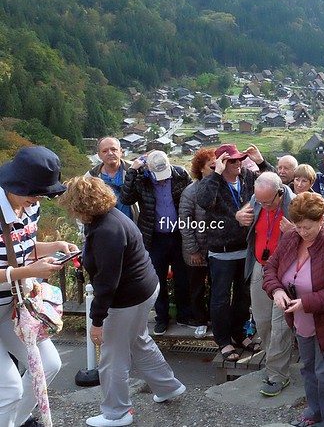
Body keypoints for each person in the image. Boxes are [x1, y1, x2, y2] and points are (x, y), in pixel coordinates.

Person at [61, 176, 185, 427]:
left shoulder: (107, 230)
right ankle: (168, 386)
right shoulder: (110, 217)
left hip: (127, 298)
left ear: (80, 205)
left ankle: (117, 413)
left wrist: (97, 321)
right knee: (139, 340)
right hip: (143, 288)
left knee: (112, 356)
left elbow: (107, 283)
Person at [262, 192, 324, 427]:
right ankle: (315, 412)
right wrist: (277, 291)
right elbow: (271, 268)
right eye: (298, 227)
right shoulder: (291, 237)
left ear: (322, 219)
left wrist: (306, 303)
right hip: (301, 318)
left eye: (307, 228)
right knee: (308, 368)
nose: (302, 233)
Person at [0, 147, 71, 427]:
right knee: (8, 388)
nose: (39, 200)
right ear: (15, 184)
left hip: (12, 306)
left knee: (49, 365)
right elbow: (22, 264)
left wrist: (53, 247)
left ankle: (15, 422)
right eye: (35, 193)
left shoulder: (31, 207)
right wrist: (29, 271)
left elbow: (20, 248)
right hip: (8, 298)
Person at [196, 143, 272, 361]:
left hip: (246, 250)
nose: (238, 164)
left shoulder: (247, 177)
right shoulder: (213, 183)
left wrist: (260, 162)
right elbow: (204, 203)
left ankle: (239, 334)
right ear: (222, 163)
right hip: (221, 252)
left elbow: (276, 184)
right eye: (232, 161)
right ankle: (223, 340)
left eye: (239, 159)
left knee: (243, 295)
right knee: (220, 298)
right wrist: (216, 175)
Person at [120, 150, 192, 336]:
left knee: (183, 278)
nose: (161, 179)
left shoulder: (180, 174)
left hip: (178, 234)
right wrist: (132, 172)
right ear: (148, 169)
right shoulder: (141, 179)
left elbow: (192, 198)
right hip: (154, 237)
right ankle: (162, 318)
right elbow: (126, 199)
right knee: (157, 279)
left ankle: (185, 315)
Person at [239, 172, 296, 397]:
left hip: (285, 273)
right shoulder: (257, 200)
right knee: (262, 322)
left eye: (267, 202)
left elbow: (316, 233)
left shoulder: (295, 206)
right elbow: (248, 211)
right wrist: (238, 215)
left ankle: (277, 375)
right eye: (259, 201)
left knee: (280, 326)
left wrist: (295, 232)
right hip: (261, 267)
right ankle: (274, 363)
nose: (262, 205)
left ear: (280, 192)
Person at [178, 148, 216, 339]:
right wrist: (193, 249)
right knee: (197, 287)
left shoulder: (221, 187)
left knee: (218, 287)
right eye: (212, 166)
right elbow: (184, 224)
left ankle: (216, 320)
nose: (216, 169)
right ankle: (200, 320)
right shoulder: (190, 192)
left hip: (217, 249)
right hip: (196, 249)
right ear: (200, 168)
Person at [87, 137, 137, 220]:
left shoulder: (134, 169)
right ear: (99, 155)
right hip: (105, 228)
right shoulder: (91, 176)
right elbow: (81, 206)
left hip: (132, 226)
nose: (110, 153)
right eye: (105, 151)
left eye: (114, 149)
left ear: (120, 151)